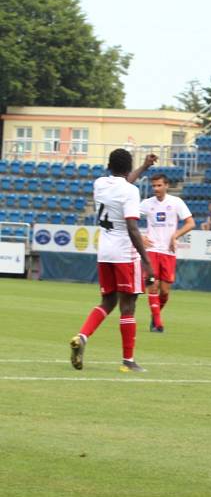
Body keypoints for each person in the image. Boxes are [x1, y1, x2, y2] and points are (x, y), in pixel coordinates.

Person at [69, 150, 156, 373]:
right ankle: (128, 361)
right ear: (128, 168)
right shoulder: (131, 191)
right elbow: (132, 227)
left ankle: (82, 336)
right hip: (125, 254)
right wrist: (146, 260)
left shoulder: (99, 184)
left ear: (109, 166)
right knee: (129, 306)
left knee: (107, 301)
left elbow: (121, 184)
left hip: (105, 252)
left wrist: (144, 168)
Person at [139, 172, 195, 332]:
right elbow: (127, 218)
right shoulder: (146, 203)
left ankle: (154, 314)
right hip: (152, 250)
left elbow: (191, 223)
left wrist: (175, 236)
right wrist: (141, 236)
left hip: (168, 252)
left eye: (159, 185)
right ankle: (158, 323)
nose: (156, 189)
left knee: (164, 291)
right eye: (154, 186)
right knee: (153, 286)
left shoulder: (176, 202)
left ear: (166, 185)